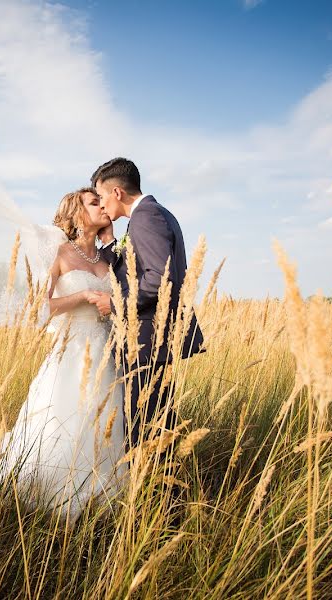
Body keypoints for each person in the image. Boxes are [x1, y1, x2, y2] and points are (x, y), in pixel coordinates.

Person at [0, 188, 127, 526]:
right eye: (95, 203)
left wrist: (110, 244)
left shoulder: (109, 259)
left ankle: (99, 497)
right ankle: (54, 494)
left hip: (105, 352)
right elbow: (41, 305)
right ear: (77, 213)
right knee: (62, 426)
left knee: (104, 423)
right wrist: (80, 296)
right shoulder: (60, 253)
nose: (104, 206)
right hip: (71, 351)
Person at [88, 157, 205, 453]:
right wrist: (111, 246)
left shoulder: (146, 217)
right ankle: (167, 493)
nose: (102, 205)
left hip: (147, 340)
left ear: (117, 193)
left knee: (145, 427)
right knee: (157, 423)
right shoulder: (154, 214)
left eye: (101, 197)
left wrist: (114, 304)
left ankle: (156, 494)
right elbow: (140, 270)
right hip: (154, 338)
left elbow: (158, 279)